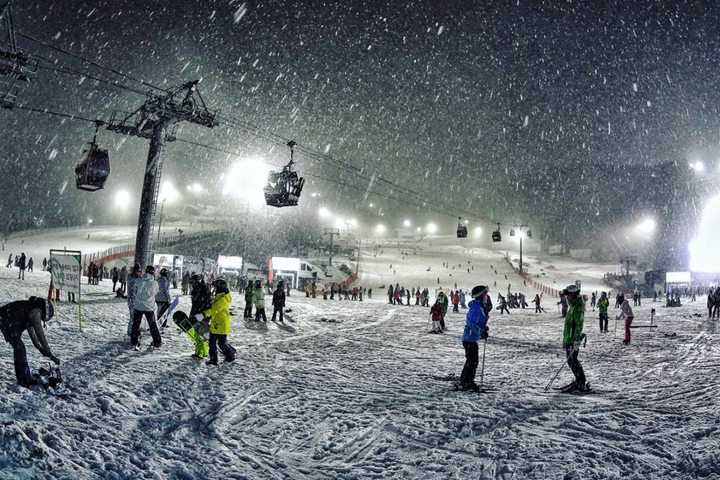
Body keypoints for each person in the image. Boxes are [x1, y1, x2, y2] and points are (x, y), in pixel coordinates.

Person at [0, 297, 60, 387]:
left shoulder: (31, 308)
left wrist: (40, 348)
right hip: (6, 321)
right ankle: (24, 379)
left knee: (19, 349)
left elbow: (32, 333)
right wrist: (48, 352)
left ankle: (23, 377)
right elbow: (39, 333)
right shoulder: (35, 312)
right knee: (20, 349)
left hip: (7, 321)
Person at [459, 285, 489, 392]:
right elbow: (471, 323)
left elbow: (477, 323)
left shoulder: (478, 307)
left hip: (471, 338)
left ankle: (466, 381)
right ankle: (467, 382)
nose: (486, 297)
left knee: (472, 361)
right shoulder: (476, 308)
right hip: (469, 338)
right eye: (485, 295)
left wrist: (483, 328)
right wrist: (481, 332)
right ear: (480, 296)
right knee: (472, 361)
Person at [561, 284, 588, 392]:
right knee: (571, 361)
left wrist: (577, 339)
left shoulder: (577, 307)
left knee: (572, 360)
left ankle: (581, 382)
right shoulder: (573, 306)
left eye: (568, 295)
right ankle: (578, 380)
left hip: (573, 339)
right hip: (569, 338)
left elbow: (579, 324)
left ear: (573, 295)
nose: (567, 297)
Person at [204, 278, 235, 365]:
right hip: (216, 325)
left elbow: (215, 309)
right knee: (212, 343)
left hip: (221, 326)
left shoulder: (222, 299)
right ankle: (213, 359)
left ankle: (230, 355)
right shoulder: (218, 297)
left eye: (216, 287)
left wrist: (204, 314)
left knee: (221, 344)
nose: (214, 289)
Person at [130, 265, 162, 348]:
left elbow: (134, 290)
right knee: (152, 325)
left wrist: (140, 297)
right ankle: (157, 341)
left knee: (136, 324)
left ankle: (134, 340)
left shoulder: (139, 280)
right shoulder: (154, 283)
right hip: (149, 306)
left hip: (138, 306)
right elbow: (156, 292)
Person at [126, 263, 142, 336]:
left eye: (139, 271)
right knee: (133, 317)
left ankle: (134, 330)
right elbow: (134, 290)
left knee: (136, 317)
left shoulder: (136, 278)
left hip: (136, 300)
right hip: (132, 300)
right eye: (137, 271)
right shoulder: (132, 279)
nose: (138, 273)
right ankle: (130, 331)